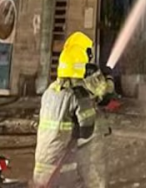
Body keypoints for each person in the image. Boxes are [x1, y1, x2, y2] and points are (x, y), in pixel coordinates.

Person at [32, 43, 98, 188]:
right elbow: (87, 131)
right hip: (62, 170)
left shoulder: (49, 92)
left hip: (41, 168)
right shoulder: (78, 94)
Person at [63, 31, 116, 105]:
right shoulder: (90, 70)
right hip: (85, 108)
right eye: (88, 50)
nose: (90, 54)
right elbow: (105, 94)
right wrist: (109, 77)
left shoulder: (64, 69)